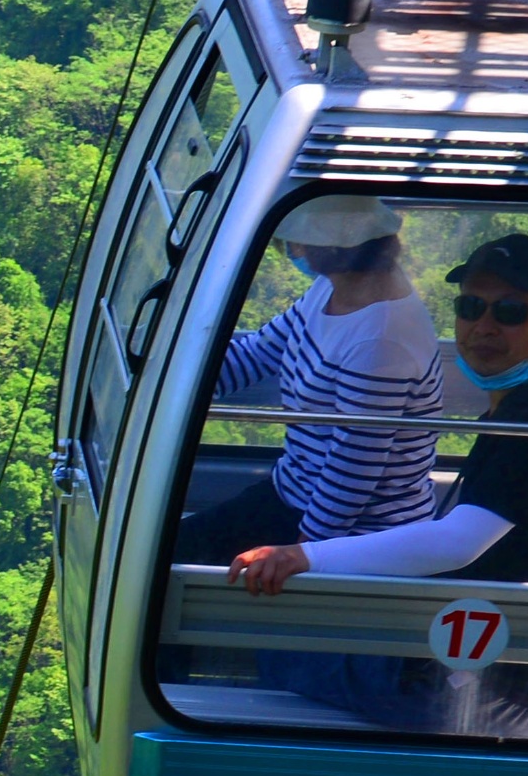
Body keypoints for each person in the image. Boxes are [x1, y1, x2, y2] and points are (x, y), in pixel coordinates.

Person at [225, 232, 528, 730]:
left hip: (524, 695)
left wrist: (302, 555)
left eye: (510, 311)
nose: (483, 326)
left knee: (280, 649)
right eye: (470, 306)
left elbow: (457, 543)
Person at [168, 195, 442, 565]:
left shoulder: (381, 341)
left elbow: (353, 467)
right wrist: (174, 387)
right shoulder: (332, 288)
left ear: (328, 247)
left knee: (181, 561)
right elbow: (259, 353)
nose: (292, 249)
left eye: (297, 240)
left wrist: (304, 553)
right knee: (174, 547)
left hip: (356, 530)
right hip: (295, 490)